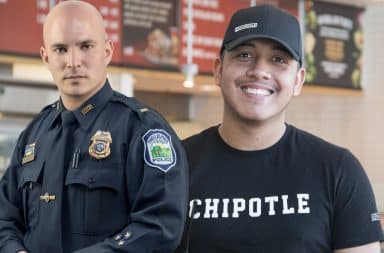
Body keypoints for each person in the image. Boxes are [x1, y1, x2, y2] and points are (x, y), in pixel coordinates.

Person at [175, 4, 383, 253]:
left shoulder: (338, 171)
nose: (260, 71)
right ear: (219, 70)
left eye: (278, 59)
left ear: (298, 80)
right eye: (244, 55)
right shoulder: (175, 168)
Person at [0, 1, 188, 252]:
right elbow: (5, 218)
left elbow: (160, 227)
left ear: (107, 51)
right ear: (46, 56)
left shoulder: (142, 131)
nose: (73, 61)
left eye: (86, 46)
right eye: (60, 49)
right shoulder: (33, 135)